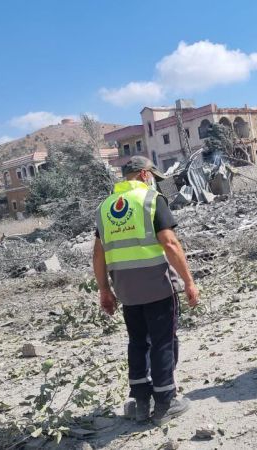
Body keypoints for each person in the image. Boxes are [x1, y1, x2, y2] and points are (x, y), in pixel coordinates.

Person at [92, 156, 200, 425]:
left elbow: (98, 253)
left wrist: (104, 290)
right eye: (152, 175)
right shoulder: (152, 200)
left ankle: (142, 402)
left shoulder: (105, 207)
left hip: (126, 290)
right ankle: (165, 401)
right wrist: (189, 281)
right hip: (157, 284)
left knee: (138, 342)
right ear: (143, 174)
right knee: (163, 341)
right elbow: (170, 243)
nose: (153, 179)